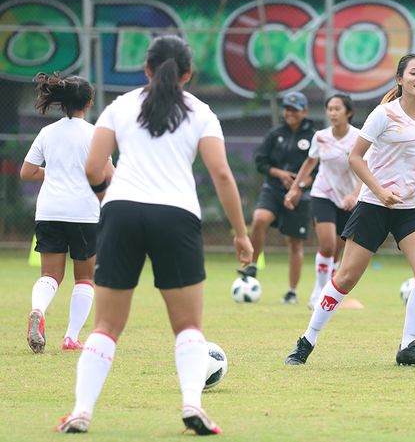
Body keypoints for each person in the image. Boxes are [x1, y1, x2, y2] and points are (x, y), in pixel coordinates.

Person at [55, 35, 253, 435]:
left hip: (121, 213)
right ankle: (192, 405)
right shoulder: (201, 112)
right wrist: (240, 233)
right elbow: (221, 174)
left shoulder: (119, 107)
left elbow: (94, 166)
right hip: (176, 217)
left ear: (145, 69)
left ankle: (80, 412)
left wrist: (109, 199)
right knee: (187, 326)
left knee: (106, 327)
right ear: (188, 73)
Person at [284, 53, 415, 367]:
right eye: (414, 72)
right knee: (346, 277)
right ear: (400, 79)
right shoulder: (383, 114)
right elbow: (356, 158)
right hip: (373, 205)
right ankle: (306, 341)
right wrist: (380, 191)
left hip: (410, 207)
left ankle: (408, 347)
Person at [20, 72, 114, 354]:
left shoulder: (47, 133)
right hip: (83, 213)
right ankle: (71, 338)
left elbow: (27, 172)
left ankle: (38, 310)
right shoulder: (95, 134)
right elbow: (108, 174)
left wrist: (55, 173)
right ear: (88, 102)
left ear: (62, 102)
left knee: (50, 275)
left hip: (49, 211)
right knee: (85, 278)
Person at [283, 94, 362, 308]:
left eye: (337, 109)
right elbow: (309, 163)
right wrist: (295, 189)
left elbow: (368, 169)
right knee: (326, 245)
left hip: (348, 199)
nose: (333, 113)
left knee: (337, 250)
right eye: (330, 109)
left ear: (349, 112)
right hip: (323, 193)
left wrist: (354, 195)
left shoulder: (359, 138)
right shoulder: (320, 136)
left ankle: (328, 288)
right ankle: (319, 293)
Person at [238, 91, 316, 304]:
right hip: (273, 189)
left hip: (300, 196)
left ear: (305, 111)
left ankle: (291, 291)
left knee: (294, 244)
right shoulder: (275, 133)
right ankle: (253, 266)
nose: (290, 113)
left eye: (295, 109)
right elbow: (260, 162)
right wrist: (279, 174)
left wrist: (299, 185)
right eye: (287, 109)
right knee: (259, 219)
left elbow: (318, 170)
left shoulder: (313, 137)